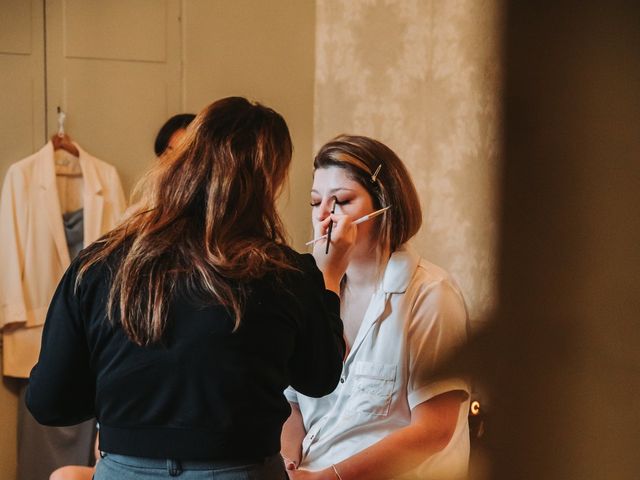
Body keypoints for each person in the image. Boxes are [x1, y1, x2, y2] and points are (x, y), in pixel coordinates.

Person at [27, 97, 356, 480]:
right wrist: (329, 278)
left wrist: (122, 400)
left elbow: (49, 403)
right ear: (270, 180)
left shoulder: (98, 266)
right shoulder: (284, 273)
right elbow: (319, 378)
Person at [281, 135, 470, 480]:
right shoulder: (309, 292)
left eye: (341, 201)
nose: (323, 215)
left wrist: (330, 478)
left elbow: (434, 430)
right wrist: (287, 461)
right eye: (314, 202)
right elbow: (291, 402)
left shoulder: (430, 294)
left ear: (385, 205)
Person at [47, 112, 195, 480]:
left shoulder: (233, 248)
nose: (179, 164)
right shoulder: (128, 235)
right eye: (171, 154)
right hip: (135, 387)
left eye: (190, 153)